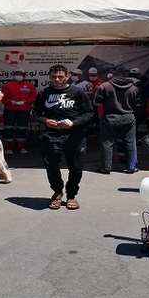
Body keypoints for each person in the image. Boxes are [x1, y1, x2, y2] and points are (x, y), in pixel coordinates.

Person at [33, 65, 93, 210]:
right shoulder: (44, 93)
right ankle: (57, 192)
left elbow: (89, 113)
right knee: (51, 166)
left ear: (67, 77)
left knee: (76, 168)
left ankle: (71, 195)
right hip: (51, 136)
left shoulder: (77, 92)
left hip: (75, 136)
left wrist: (73, 123)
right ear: (49, 77)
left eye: (60, 77)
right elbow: (35, 113)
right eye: (54, 77)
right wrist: (45, 120)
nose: (57, 80)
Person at [93, 65, 141, 174]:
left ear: (113, 74)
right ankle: (131, 167)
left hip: (110, 116)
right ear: (125, 74)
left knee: (107, 142)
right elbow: (138, 104)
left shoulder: (104, 86)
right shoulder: (134, 87)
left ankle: (106, 168)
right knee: (130, 142)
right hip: (129, 117)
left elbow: (97, 103)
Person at [0, 68, 37, 154]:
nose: (18, 76)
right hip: (10, 109)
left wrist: (25, 101)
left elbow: (33, 98)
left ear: (24, 76)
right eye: (17, 74)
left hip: (24, 110)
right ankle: (8, 148)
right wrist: (10, 102)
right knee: (8, 128)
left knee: (22, 128)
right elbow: (3, 98)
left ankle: (22, 147)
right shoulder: (7, 85)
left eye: (20, 74)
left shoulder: (29, 86)